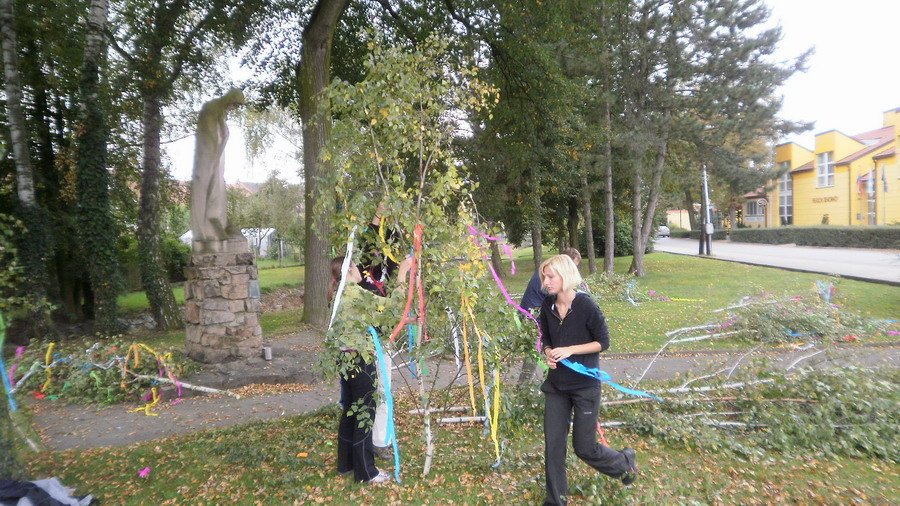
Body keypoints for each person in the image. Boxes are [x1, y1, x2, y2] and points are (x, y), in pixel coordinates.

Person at [538, 254, 638, 505]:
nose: (545, 282)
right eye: (544, 277)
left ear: (565, 276)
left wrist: (570, 350)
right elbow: (545, 339)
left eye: (550, 276)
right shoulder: (547, 305)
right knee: (553, 447)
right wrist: (548, 353)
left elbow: (603, 342)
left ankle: (624, 462)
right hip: (556, 387)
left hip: (585, 388)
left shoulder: (586, 305)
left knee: (584, 448)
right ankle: (555, 501)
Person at [328, 256, 410, 484]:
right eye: (356, 267)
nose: (361, 272)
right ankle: (366, 473)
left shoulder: (340, 293)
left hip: (345, 359)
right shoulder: (354, 293)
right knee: (365, 412)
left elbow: (374, 316)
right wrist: (402, 272)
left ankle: (345, 464)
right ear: (348, 270)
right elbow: (391, 308)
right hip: (359, 360)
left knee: (351, 410)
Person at [518, 248, 583, 384]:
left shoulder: (549, 273)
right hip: (533, 316)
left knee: (545, 349)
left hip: (533, 313)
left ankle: (553, 380)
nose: (574, 270)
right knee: (536, 350)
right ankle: (524, 385)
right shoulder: (550, 276)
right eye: (573, 265)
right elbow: (561, 300)